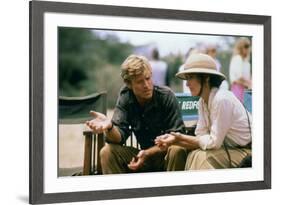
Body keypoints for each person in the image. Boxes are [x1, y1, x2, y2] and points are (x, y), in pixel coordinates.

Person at [86, 54, 187, 174]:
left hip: (165, 156)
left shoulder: (166, 96)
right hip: (142, 157)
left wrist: (148, 153)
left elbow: (178, 138)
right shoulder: (126, 97)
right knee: (107, 152)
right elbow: (118, 137)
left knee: (177, 149)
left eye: (148, 78)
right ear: (129, 84)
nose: (146, 85)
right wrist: (110, 127)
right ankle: (118, 191)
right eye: (140, 82)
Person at [155, 53, 252, 170]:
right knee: (177, 150)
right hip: (228, 148)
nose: (186, 83)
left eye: (190, 77)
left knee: (202, 158)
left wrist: (180, 138)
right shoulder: (202, 102)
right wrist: (175, 141)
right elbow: (201, 136)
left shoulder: (222, 99)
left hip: (248, 152)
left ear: (206, 78)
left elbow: (212, 142)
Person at [229, 37, 252, 102]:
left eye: (249, 46)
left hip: (245, 89)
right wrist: (250, 84)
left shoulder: (246, 61)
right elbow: (239, 77)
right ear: (240, 47)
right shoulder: (237, 58)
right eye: (246, 46)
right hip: (238, 88)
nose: (248, 48)